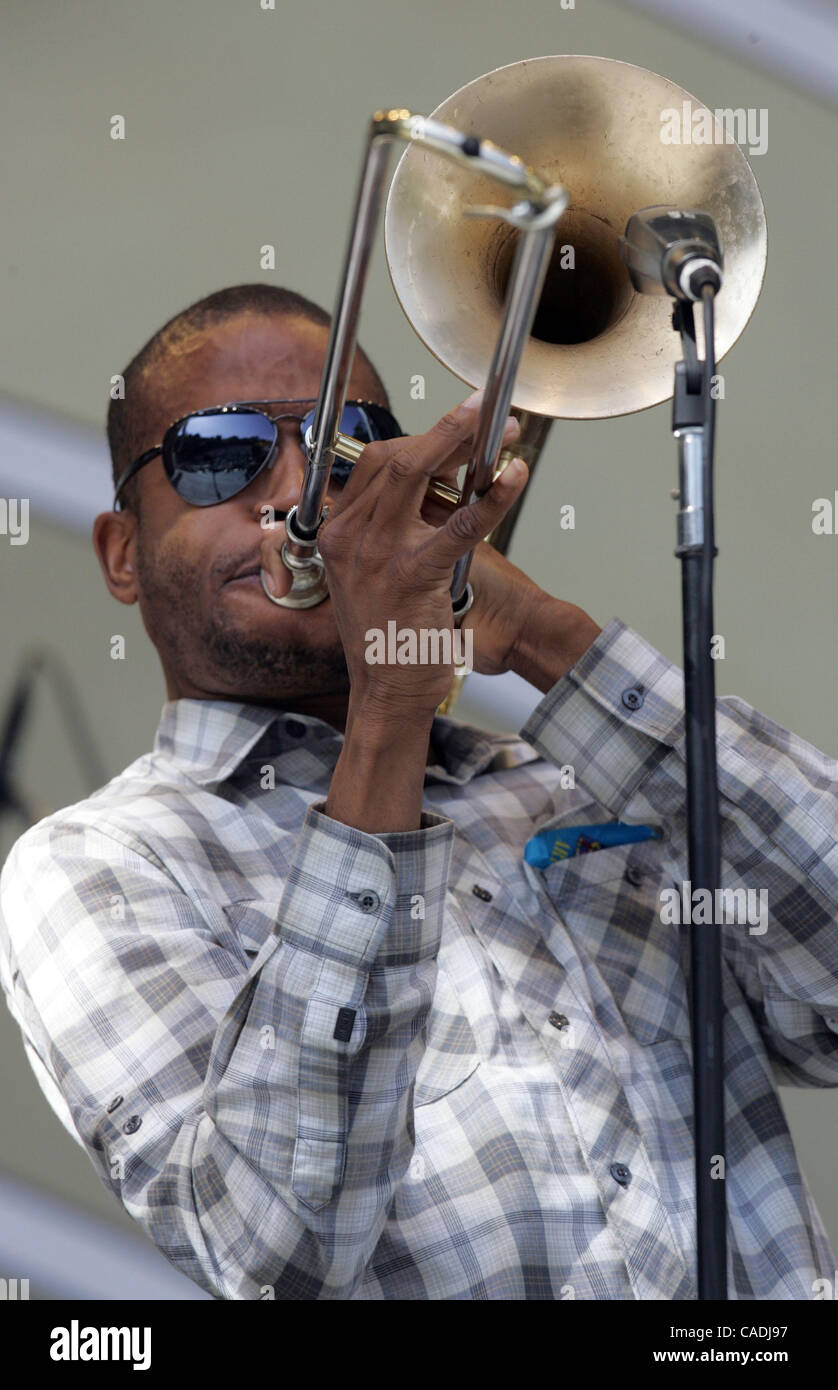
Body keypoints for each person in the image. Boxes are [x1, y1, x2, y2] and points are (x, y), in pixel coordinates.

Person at [1, 283, 836, 1301]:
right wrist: (391, 702)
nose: (298, 491)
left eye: (347, 444)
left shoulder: (568, 788)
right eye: (219, 449)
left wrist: (542, 634)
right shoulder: (99, 865)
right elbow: (279, 1244)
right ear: (121, 552)